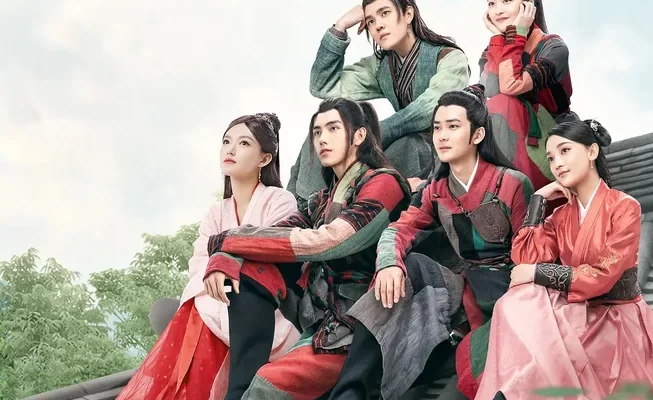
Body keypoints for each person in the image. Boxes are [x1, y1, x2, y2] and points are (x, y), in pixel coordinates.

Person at [328, 86, 533, 400]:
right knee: (407, 267)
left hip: (511, 293)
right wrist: (388, 264)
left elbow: (531, 254)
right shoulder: (435, 190)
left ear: (478, 135)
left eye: (453, 126)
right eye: (437, 127)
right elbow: (399, 229)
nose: (442, 136)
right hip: (467, 289)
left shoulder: (513, 184)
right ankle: (349, 392)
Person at [203, 98, 411, 400]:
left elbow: (332, 240)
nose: (322, 139)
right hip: (321, 316)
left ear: (359, 135)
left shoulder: (384, 184)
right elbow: (275, 234)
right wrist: (225, 255)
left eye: (333, 129)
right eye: (317, 132)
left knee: (266, 388)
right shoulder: (320, 201)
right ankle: (238, 390)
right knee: (251, 265)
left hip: (364, 323)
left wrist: (226, 241)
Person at [117, 113, 299, 400]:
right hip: (215, 301)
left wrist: (224, 263)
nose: (230, 150)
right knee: (199, 302)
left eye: (243, 143)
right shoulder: (216, 212)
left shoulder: (280, 200)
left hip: (264, 310)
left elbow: (268, 249)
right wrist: (216, 269)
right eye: (226, 142)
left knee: (207, 306)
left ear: (264, 158)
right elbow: (199, 262)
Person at [475, 120, 653, 399]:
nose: (557, 163)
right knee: (515, 301)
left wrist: (536, 273)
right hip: (579, 309)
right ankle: (512, 391)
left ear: (592, 151)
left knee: (542, 349)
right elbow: (525, 256)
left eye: (565, 151)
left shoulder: (625, 207)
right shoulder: (561, 216)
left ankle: (514, 392)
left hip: (617, 315)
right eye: (551, 158)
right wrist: (538, 199)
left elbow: (603, 276)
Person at [287, 0, 470, 201]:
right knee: (323, 130)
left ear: (408, 14)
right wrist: (340, 27)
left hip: (437, 149)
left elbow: (432, 106)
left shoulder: (449, 57)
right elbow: (322, 86)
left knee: (404, 146)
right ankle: (304, 204)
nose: (378, 26)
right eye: (371, 21)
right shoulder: (380, 65)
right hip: (400, 138)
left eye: (385, 13)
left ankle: (342, 203)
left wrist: (377, 131)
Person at [480, 0, 577, 194]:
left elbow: (510, 85)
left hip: (552, 142)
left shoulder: (553, 47)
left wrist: (515, 35)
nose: (498, 11)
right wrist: (500, 39)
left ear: (529, 4)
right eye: (491, 3)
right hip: (509, 144)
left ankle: (505, 192)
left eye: (506, 1)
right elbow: (488, 90)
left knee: (503, 102)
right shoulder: (494, 48)